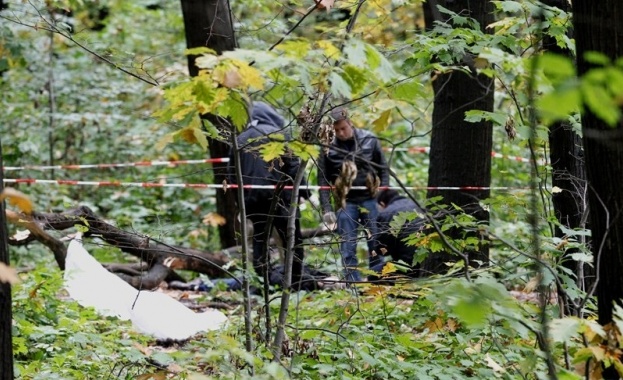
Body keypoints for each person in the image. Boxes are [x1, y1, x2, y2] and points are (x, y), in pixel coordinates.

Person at [230, 101, 310, 289]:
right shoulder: (281, 135)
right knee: (292, 239)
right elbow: (294, 166)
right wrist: (305, 192)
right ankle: (296, 281)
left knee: (260, 240)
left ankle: (264, 282)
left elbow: (231, 174)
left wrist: (240, 202)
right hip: (281, 198)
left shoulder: (240, 139)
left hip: (253, 201)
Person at [318, 106, 389, 282]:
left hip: (371, 199)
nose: (341, 133)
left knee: (376, 242)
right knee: (347, 245)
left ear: (350, 123)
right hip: (345, 202)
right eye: (336, 130)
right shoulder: (328, 147)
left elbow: (384, 170)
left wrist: (383, 198)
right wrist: (326, 209)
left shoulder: (369, 140)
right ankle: (353, 285)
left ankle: (378, 281)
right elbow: (323, 179)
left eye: (343, 128)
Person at [374, 189, 426, 279]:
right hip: (427, 258)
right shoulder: (418, 205)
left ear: (382, 203)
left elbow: (382, 249)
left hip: (407, 264)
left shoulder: (386, 213)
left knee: (373, 274)